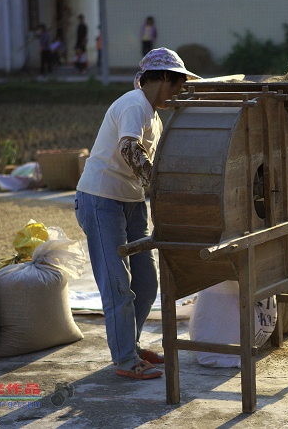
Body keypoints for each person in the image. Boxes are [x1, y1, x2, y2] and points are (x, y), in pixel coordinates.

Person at [75, 48, 201, 380]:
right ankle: (126, 360)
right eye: (177, 84)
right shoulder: (134, 104)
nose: (178, 92)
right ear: (162, 79)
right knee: (117, 283)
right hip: (102, 201)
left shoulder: (151, 114)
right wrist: (160, 187)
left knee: (145, 283)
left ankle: (130, 344)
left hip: (131, 204)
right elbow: (130, 148)